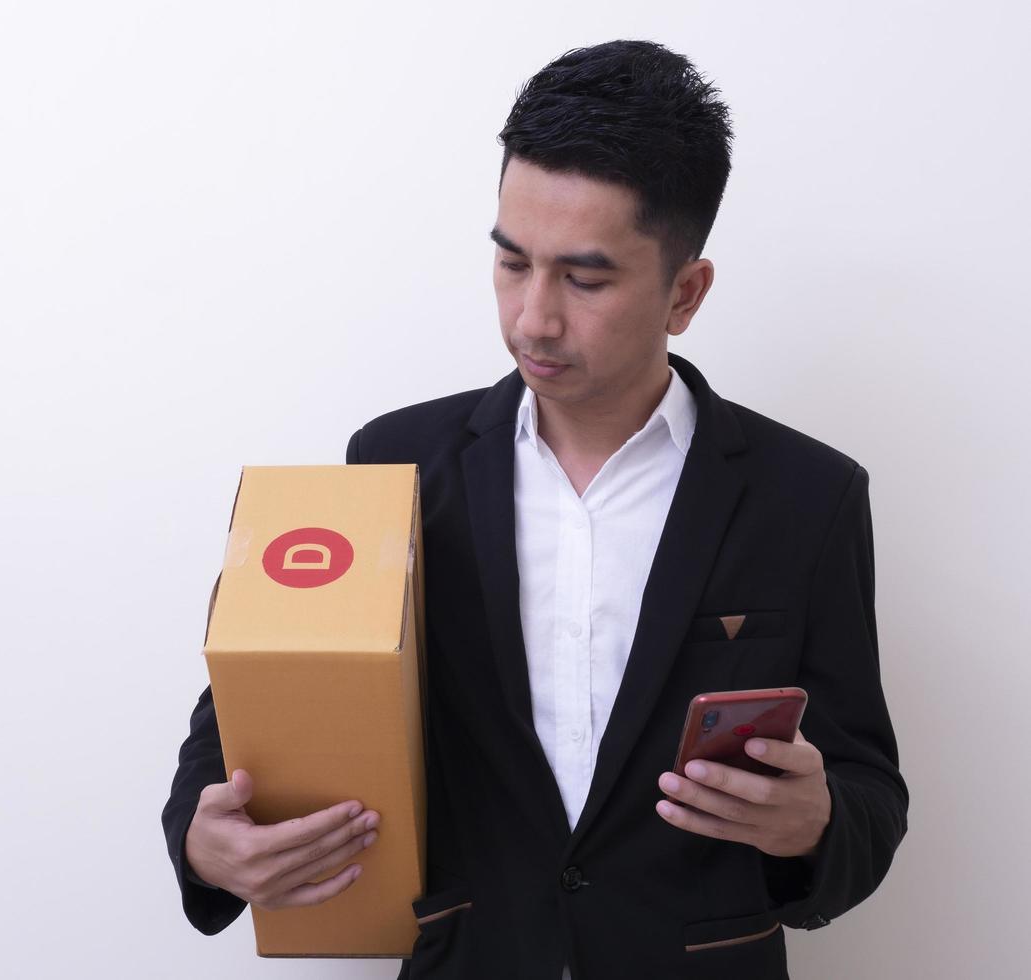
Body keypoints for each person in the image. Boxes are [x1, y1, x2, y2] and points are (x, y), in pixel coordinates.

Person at [162, 39, 908, 979]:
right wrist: (203, 839)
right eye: (511, 264)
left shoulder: (808, 494)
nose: (532, 318)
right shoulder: (396, 461)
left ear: (685, 292)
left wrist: (818, 822)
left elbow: (868, 796)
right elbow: (248, 709)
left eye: (584, 279)